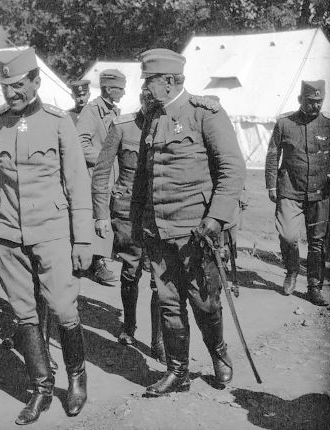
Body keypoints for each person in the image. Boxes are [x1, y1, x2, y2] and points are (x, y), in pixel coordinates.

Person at [0, 48, 93, 425]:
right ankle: (41, 389)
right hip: (8, 236)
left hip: (53, 234)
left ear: (36, 82)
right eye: (6, 87)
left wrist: (84, 240)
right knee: (25, 315)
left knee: (62, 308)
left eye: (19, 85)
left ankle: (76, 377)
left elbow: (77, 183)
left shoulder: (59, 123)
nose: (12, 94)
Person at [131, 49, 246, 396]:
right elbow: (142, 176)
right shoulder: (151, 117)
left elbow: (232, 169)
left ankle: (219, 354)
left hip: (197, 233)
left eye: (149, 81)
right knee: (168, 305)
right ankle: (177, 372)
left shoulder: (204, 113)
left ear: (168, 81)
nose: (145, 88)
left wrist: (215, 218)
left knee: (205, 302)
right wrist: (138, 223)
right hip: (158, 232)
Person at [91, 91, 165, 361]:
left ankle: (159, 340)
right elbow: (101, 172)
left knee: (160, 277)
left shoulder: (170, 125)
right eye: (149, 104)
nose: (152, 109)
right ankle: (129, 325)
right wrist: (100, 214)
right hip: (127, 212)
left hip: (160, 213)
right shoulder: (122, 127)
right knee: (131, 270)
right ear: (142, 101)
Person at [265, 80, 330, 305]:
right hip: (290, 190)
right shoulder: (285, 124)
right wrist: (271, 184)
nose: (315, 106)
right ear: (300, 100)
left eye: (319, 102)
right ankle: (292, 271)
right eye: (310, 101)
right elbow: (273, 154)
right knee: (288, 235)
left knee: (317, 242)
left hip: (320, 193)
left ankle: (314, 286)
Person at [77, 69, 127, 286]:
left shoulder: (114, 111)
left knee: (106, 212)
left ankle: (100, 258)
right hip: (96, 175)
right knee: (98, 214)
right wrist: (104, 158)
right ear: (108, 89)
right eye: (120, 89)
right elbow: (80, 143)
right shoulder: (91, 111)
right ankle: (96, 264)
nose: (123, 93)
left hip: (111, 174)